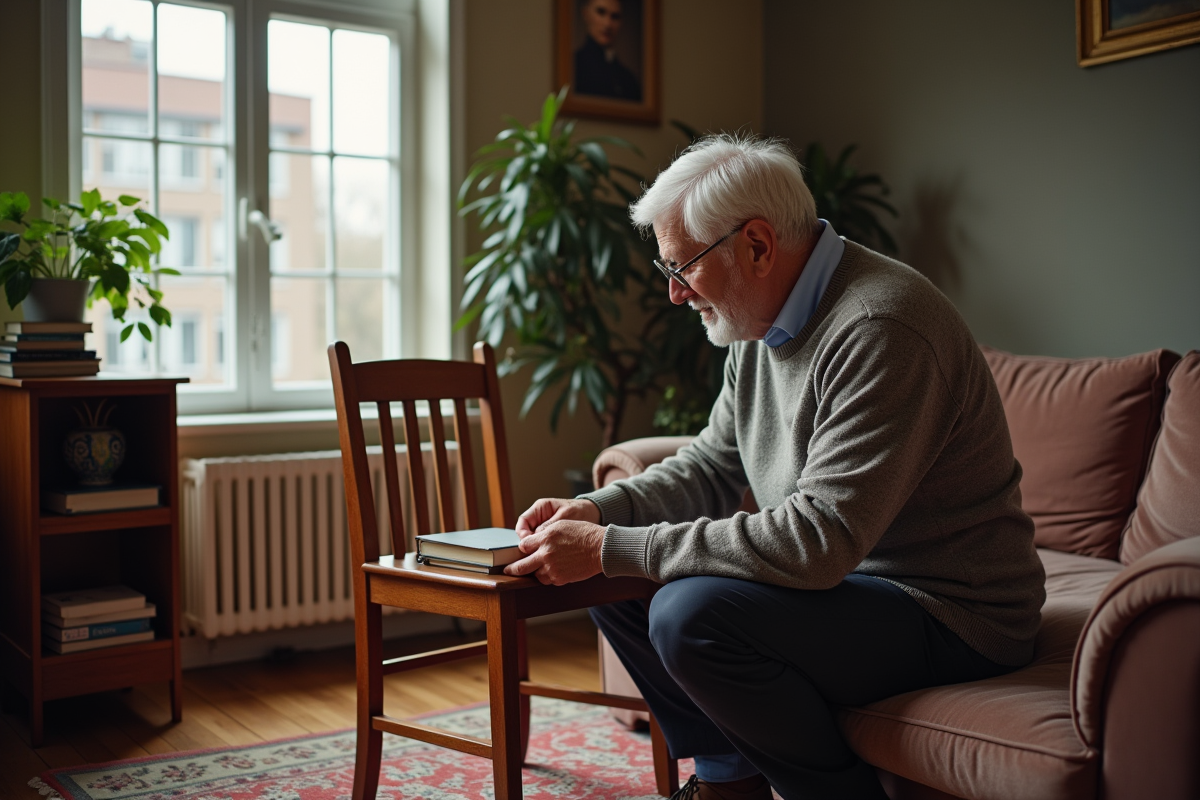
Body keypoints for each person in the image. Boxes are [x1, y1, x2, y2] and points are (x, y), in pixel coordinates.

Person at [504, 135, 1046, 800]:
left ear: (757, 246)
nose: (674, 293)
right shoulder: (758, 321)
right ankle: (729, 785)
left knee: (686, 614)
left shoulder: (881, 326)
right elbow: (712, 463)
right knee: (609, 584)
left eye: (683, 266)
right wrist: (596, 513)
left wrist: (610, 546)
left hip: (948, 611)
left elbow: (819, 541)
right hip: (854, 586)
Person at [573, 0, 642, 102]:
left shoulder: (629, 80)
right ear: (585, 13)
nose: (608, 24)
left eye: (615, 17)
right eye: (601, 12)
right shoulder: (573, 67)